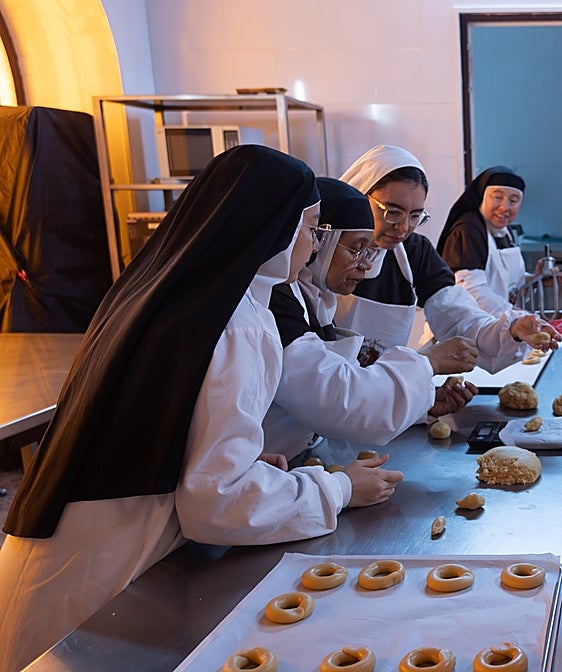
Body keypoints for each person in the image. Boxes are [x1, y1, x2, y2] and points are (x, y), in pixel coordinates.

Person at [0, 145, 404, 670]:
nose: (311, 245)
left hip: (62, 544)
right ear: (271, 227)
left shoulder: (162, 287)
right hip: (108, 575)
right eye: (308, 228)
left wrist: (242, 465)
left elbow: (169, 435)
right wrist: (341, 487)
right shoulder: (238, 323)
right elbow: (217, 502)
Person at [263, 177, 477, 459]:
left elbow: (345, 395)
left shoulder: (315, 300)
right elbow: (337, 401)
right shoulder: (275, 301)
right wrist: (429, 362)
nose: (366, 265)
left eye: (370, 252)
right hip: (273, 469)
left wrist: (419, 403)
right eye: (356, 248)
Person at [336, 146, 559, 368]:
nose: (403, 228)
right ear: (360, 196)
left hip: (386, 388)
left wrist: (513, 328)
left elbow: (461, 319)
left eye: (415, 216)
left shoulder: (414, 251)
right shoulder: (326, 252)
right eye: (392, 212)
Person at [437, 165, 536, 316]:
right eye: (497, 197)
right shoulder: (468, 229)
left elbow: (502, 282)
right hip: (464, 331)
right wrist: (517, 316)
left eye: (513, 200)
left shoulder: (504, 231)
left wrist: (535, 278)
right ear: (483, 196)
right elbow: (471, 292)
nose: (504, 207)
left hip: (493, 326)